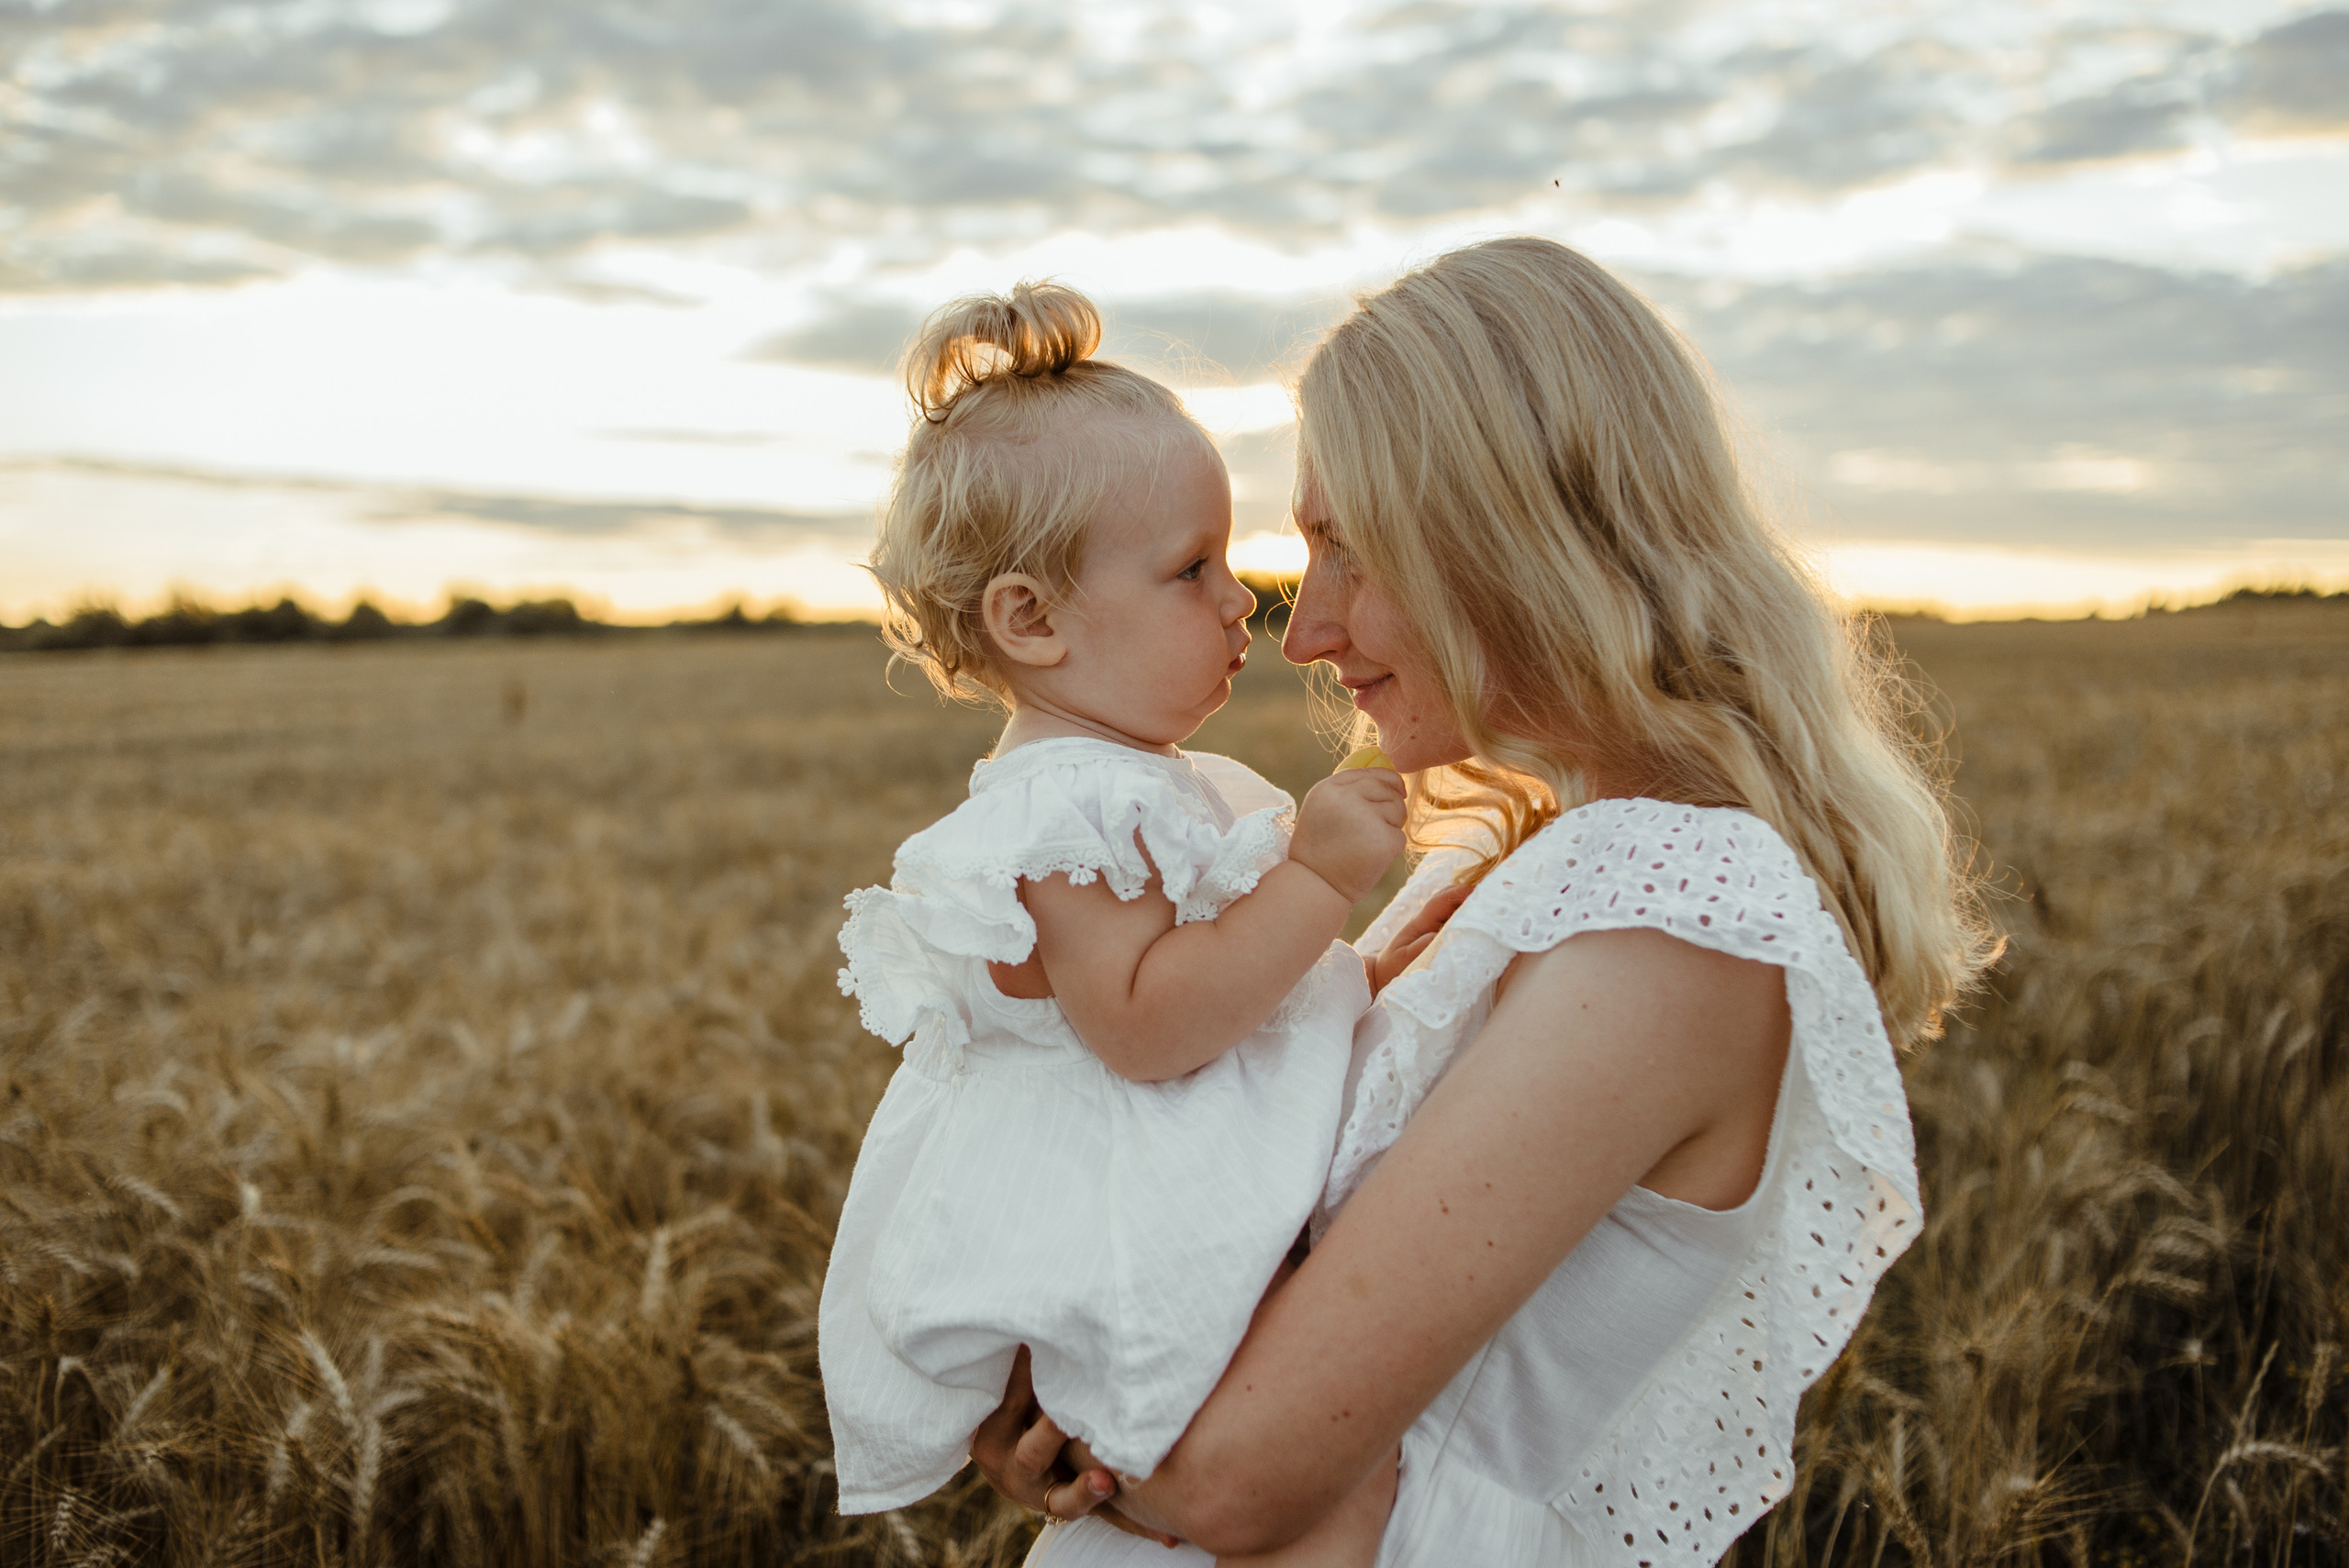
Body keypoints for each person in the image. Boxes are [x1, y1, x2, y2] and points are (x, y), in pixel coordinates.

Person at [974, 237, 1999, 1565]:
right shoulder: (1521, 862)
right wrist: (1051, 1384)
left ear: (1511, 547)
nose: (1306, 631)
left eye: (1349, 552)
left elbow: (1231, 1481)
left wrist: (1100, 1414)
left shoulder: (1674, 927)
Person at [818, 283, 1419, 1568]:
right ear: (1031, 619)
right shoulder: (1068, 810)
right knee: (1325, 1492)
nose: (1242, 600)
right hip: (1131, 1232)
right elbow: (1145, 1026)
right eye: (1191, 569)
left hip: (1170, 1198)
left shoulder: (1134, 784)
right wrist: (1316, 883)